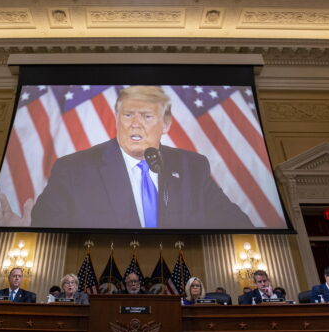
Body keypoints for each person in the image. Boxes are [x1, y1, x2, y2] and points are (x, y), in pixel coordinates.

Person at [29, 85, 254, 229]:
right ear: (117, 119)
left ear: (165, 124)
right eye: (128, 115)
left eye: (146, 116)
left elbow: (237, 224)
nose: (135, 124)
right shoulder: (74, 168)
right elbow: (45, 224)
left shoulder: (192, 167)